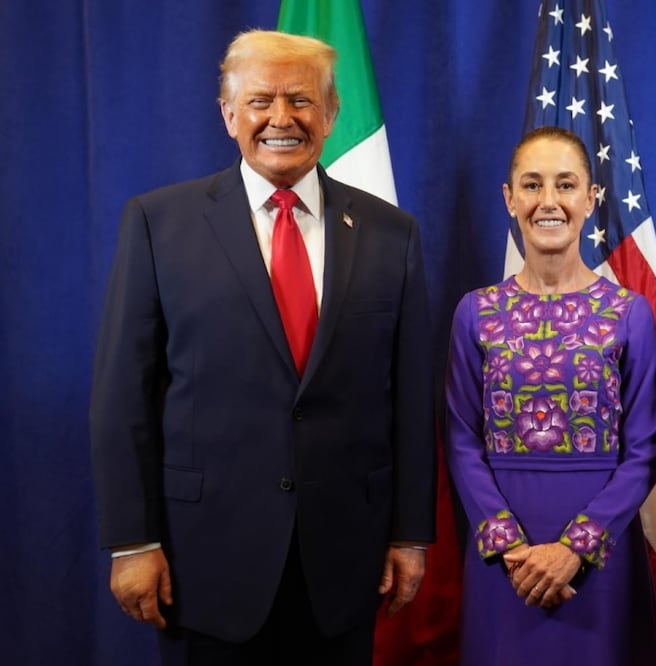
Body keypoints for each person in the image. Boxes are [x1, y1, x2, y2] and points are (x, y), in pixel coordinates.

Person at [89, 30, 435, 665]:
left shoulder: (392, 233)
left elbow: (411, 398)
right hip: (203, 562)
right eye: (260, 101)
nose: (282, 118)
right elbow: (122, 397)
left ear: (331, 114)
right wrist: (132, 541)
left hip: (345, 560)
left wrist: (410, 533)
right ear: (229, 115)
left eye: (301, 100)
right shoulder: (158, 223)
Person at [444, 126, 656, 665]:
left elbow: (644, 451)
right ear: (509, 198)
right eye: (532, 184)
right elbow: (461, 440)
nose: (548, 201)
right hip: (504, 561)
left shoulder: (629, 314)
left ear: (591, 199)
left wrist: (576, 548)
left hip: (601, 556)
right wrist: (511, 547)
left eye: (565, 185)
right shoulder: (475, 313)